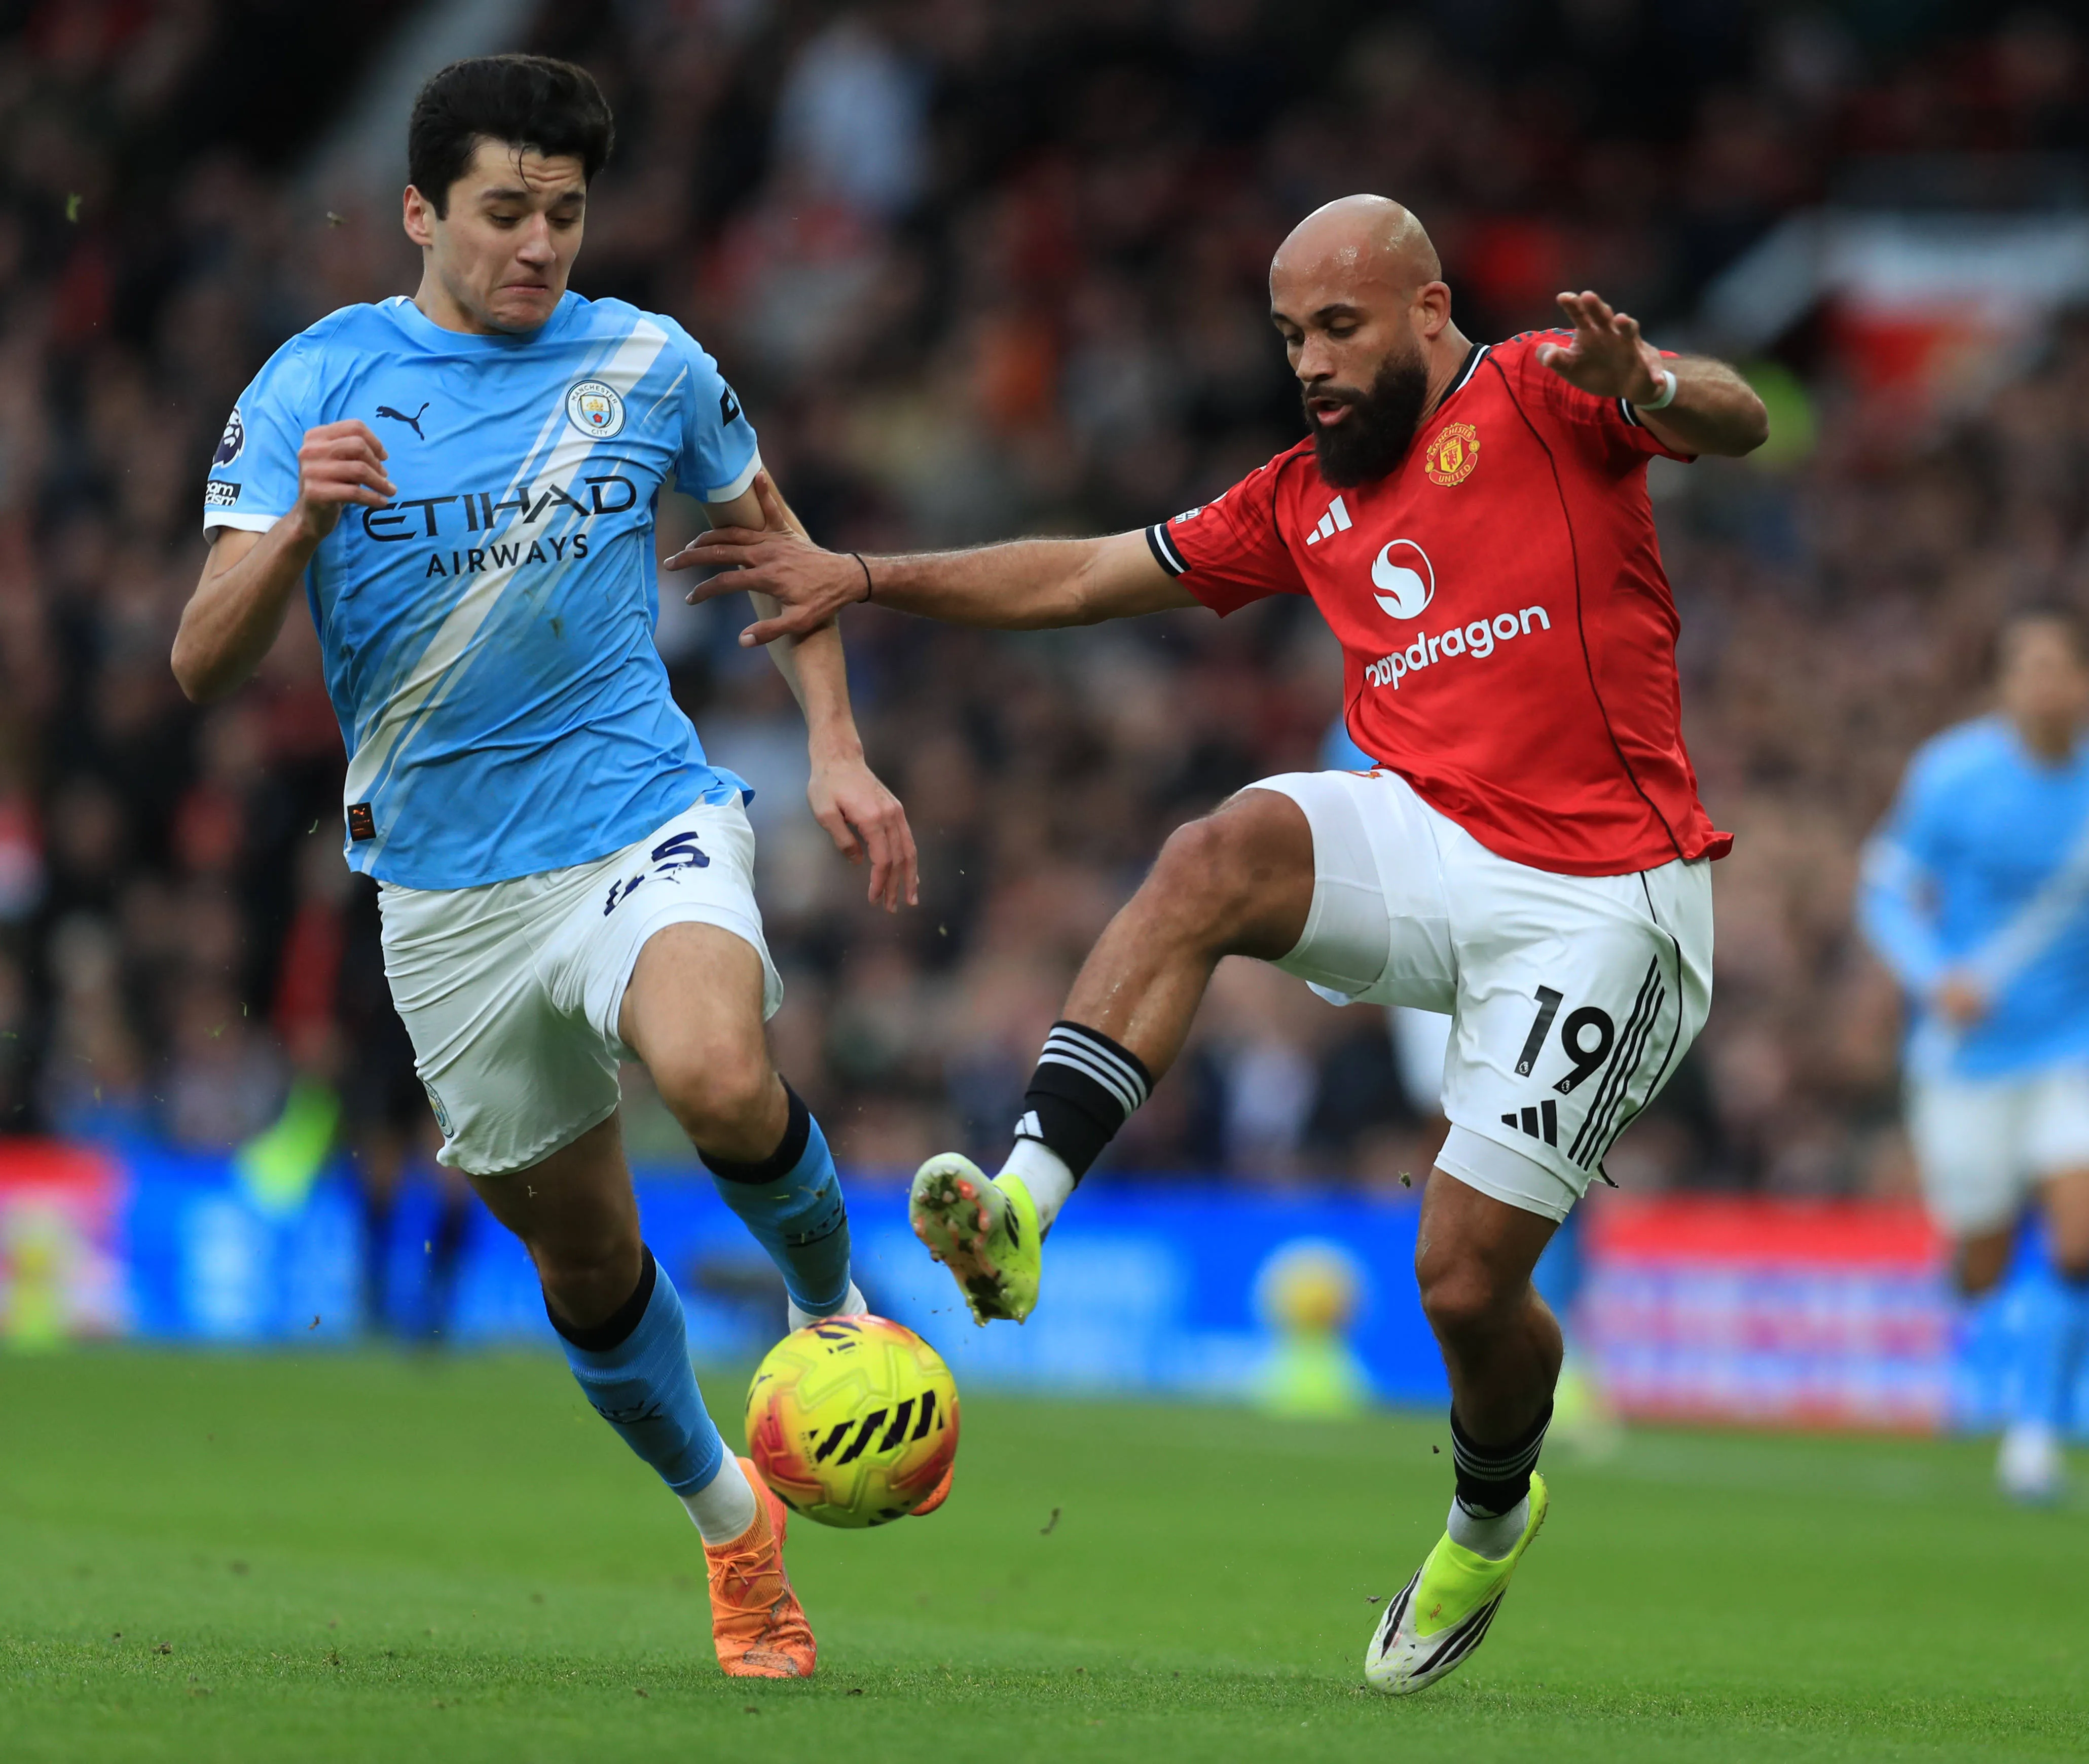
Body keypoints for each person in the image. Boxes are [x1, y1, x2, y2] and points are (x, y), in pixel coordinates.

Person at [676, 194, 1767, 1693]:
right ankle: (1022, 1207)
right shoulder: (1302, 498)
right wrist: (867, 576)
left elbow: (1736, 416)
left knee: (1462, 1281)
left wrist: (1654, 385)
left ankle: (1489, 1515)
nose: (1310, 362)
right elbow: (1081, 577)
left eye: (1340, 328)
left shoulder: (1540, 388)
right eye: (1289, 335)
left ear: (1429, 311)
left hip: (1607, 898)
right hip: (1438, 843)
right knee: (1216, 854)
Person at [170, 55, 928, 1680]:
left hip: (638, 817)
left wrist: (838, 749)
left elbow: (782, 549)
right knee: (583, 1259)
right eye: (505, 211)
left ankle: (837, 1320)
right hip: (447, 898)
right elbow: (197, 662)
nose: (538, 245)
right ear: (418, 211)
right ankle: (734, 1531)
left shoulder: (650, 364)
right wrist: (293, 534)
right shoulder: (314, 384)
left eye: (565, 215)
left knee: (716, 1074)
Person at [1859, 609, 2089, 1501]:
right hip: (1967, 1054)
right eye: (2029, 666)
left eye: (2061, 665)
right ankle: (1966, 1312)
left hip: (2071, 1044)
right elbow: (1883, 890)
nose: (2046, 683)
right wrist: (1933, 975)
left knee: (2079, 1238)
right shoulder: (1953, 775)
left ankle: (2034, 1436)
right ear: (2002, 683)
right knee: (1984, 1260)